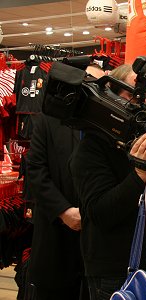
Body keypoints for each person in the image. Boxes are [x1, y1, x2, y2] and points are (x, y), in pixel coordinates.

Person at [69, 64, 146, 300]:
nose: (143, 104)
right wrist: (139, 174)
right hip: (113, 272)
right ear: (111, 98)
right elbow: (101, 213)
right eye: (133, 95)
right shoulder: (90, 149)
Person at [25, 65, 104, 300]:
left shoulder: (107, 125)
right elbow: (36, 169)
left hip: (97, 238)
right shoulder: (49, 119)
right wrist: (63, 211)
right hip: (55, 235)